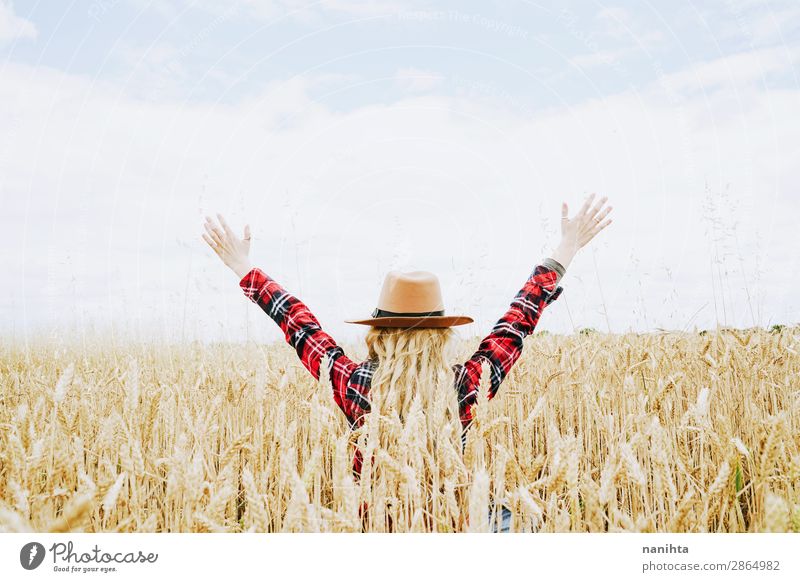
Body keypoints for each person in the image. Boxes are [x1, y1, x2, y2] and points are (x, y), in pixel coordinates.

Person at [202, 194, 613, 532]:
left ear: (378, 332)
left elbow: (300, 326)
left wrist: (244, 267)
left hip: (375, 526)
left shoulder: (353, 383)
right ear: (440, 334)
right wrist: (564, 251)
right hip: (454, 524)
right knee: (522, 521)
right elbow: (517, 322)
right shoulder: (467, 384)